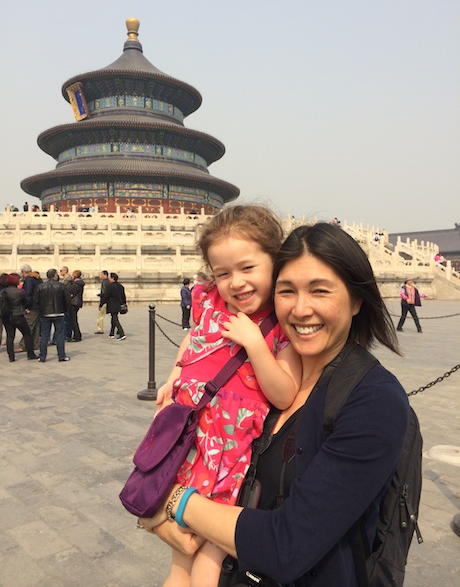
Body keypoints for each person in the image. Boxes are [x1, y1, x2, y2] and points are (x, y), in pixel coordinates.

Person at [141, 222, 410, 587]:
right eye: (287, 291)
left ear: (357, 299)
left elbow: (287, 544)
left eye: (320, 291)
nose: (301, 309)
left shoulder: (373, 400)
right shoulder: (254, 379)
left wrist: (171, 502)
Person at [153, 205, 301, 587]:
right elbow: (193, 339)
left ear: (275, 261)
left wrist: (255, 344)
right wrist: (174, 375)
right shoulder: (211, 304)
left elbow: (285, 393)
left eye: (248, 268)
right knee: (179, 563)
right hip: (192, 442)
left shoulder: (282, 324)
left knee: (209, 561)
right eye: (223, 273)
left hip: (232, 455)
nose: (236, 282)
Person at [36, 268, 71, 362]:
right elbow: (67, 300)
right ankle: (61, 356)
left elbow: (36, 300)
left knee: (44, 335)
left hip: (45, 313)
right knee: (60, 335)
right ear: (55, 276)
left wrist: (41, 310)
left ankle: (42, 356)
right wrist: (64, 310)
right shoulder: (62, 286)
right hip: (59, 312)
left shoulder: (41, 286)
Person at [2, 273, 38, 362]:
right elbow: (26, 302)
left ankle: (11, 356)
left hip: (6, 316)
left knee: (10, 336)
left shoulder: (3, 291)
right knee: (27, 334)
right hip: (18, 315)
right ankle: (30, 354)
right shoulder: (20, 292)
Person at [18, 264, 42, 352]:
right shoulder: (38, 279)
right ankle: (35, 344)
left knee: (28, 326)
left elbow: (27, 294)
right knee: (36, 326)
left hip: (31, 306)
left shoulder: (28, 280)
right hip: (38, 305)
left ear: (24, 272)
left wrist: (26, 306)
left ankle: (23, 345)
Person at [100, 272, 127, 340]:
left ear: (113, 278)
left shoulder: (111, 286)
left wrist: (101, 304)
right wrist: (124, 303)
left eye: (110, 278)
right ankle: (111, 333)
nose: (109, 279)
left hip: (112, 305)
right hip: (119, 305)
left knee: (115, 319)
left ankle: (121, 333)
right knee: (114, 318)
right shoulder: (121, 286)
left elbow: (106, 296)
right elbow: (123, 296)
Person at [68, 270, 85, 341]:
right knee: (73, 319)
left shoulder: (76, 284)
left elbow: (69, 290)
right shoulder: (78, 283)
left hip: (74, 303)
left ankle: (77, 336)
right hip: (76, 303)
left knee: (73, 320)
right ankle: (77, 335)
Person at [60, 266, 73, 339]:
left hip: (66, 300)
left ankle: (67, 334)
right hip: (65, 300)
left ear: (65, 271)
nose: (60, 272)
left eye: (61, 270)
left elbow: (63, 287)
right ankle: (66, 333)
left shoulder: (68, 279)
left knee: (67, 318)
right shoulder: (65, 279)